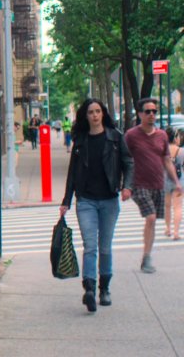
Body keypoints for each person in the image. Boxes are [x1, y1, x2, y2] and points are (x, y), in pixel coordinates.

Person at [60, 99, 133, 312]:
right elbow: (73, 172)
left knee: (105, 247)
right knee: (90, 245)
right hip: (86, 201)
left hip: (109, 199)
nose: (94, 115)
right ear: (86, 116)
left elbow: (129, 163)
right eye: (91, 112)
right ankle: (89, 289)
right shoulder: (80, 141)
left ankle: (105, 288)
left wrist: (127, 186)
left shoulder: (115, 137)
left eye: (98, 111)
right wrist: (66, 201)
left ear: (103, 114)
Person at [124, 98, 182, 274]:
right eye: (147, 111)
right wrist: (124, 185)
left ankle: (146, 255)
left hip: (158, 184)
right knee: (150, 217)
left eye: (154, 111)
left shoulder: (162, 135)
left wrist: (176, 182)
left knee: (153, 220)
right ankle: (147, 258)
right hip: (138, 184)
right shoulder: (131, 135)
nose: (151, 115)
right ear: (140, 114)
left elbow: (166, 160)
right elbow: (124, 160)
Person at [163, 127, 184, 240]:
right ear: (176, 137)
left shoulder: (162, 149)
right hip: (179, 180)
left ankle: (168, 229)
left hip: (165, 179)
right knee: (178, 206)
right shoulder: (181, 151)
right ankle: (176, 232)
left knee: (167, 206)